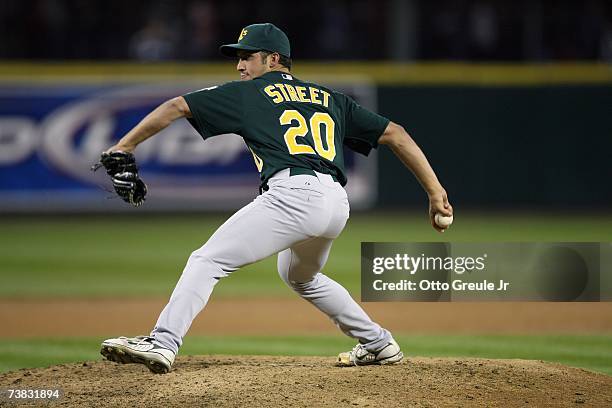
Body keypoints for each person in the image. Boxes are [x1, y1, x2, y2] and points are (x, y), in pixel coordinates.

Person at [100, 23, 453, 373]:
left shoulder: (250, 93)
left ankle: (163, 342)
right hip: (335, 203)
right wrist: (436, 193)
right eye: (237, 58)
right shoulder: (330, 97)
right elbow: (396, 133)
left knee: (207, 261)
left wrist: (124, 146)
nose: (240, 66)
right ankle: (378, 343)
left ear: (272, 59)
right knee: (301, 276)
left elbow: (177, 105)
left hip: (293, 195)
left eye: (247, 57)